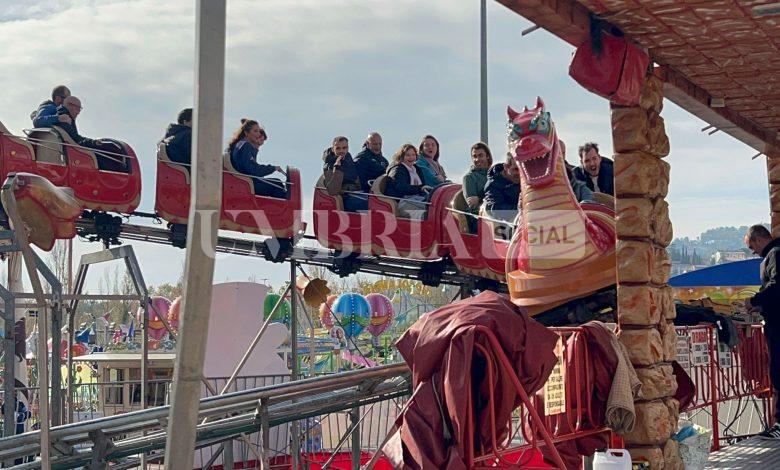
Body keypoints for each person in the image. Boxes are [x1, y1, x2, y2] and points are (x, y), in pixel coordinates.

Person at [743, 224, 780, 439]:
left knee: (778, 371)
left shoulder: (774, 255)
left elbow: (775, 287)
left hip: (777, 325)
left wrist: (755, 301)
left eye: (752, 245)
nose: (753, 251)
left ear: (759, 239)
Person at [54, 96, 127, 172]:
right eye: (78, 108)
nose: (78, 112)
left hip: (73, 148)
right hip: (75, 152)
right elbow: (76, 140)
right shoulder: (65, 118)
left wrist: (92, 141)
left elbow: (75, 138)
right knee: (110, 148)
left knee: (108, 146)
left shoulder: (62, 115)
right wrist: (93, 142)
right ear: (70, 105)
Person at [226, 119, 286, 198]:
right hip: (245, 183)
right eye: (255, 131)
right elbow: (252, 169)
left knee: (276, 182)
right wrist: (272, 168)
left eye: (258, 131)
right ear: (246, 133)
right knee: (277, 185)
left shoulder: (240, 145)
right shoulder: (245, 146)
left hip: (243, 180)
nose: (258, 134)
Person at [385, 144, 432, 220]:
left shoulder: (417, 169)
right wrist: (420, 188)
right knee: (429, 215)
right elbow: (401, 188)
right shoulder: (397, 170)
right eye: (408, 155)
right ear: (402, 156)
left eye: (413, 155)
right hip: (403, 202)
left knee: (435, 207)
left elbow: (422, 186)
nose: (411, 157)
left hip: (418, 199)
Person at [322, 136, 367, 212]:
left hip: (356, 193)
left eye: (344, 148)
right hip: (345, 198)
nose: (341, 151)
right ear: (333, 149)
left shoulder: (348, 159)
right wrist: (337, 168)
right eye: (338, 148)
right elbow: (332, 190)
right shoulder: (329, 165)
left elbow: (355, 178)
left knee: (379, 200)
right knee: (371, 204)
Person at [462, 142, 493, 232]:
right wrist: (480, 199)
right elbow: (473, 204)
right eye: (474, 156)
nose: (477, 159)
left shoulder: (495, 174)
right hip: (479, 218)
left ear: (487, 156)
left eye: (480, 155)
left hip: (498, 212)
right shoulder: (469, 178)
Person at [483, 153, 521, 225]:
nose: (520, 173)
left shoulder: (524, 178)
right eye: (516, 169)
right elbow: (497, 210)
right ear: (506, 167)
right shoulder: (492, 185)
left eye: (522, 169)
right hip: (506, 224)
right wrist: (520, 209)